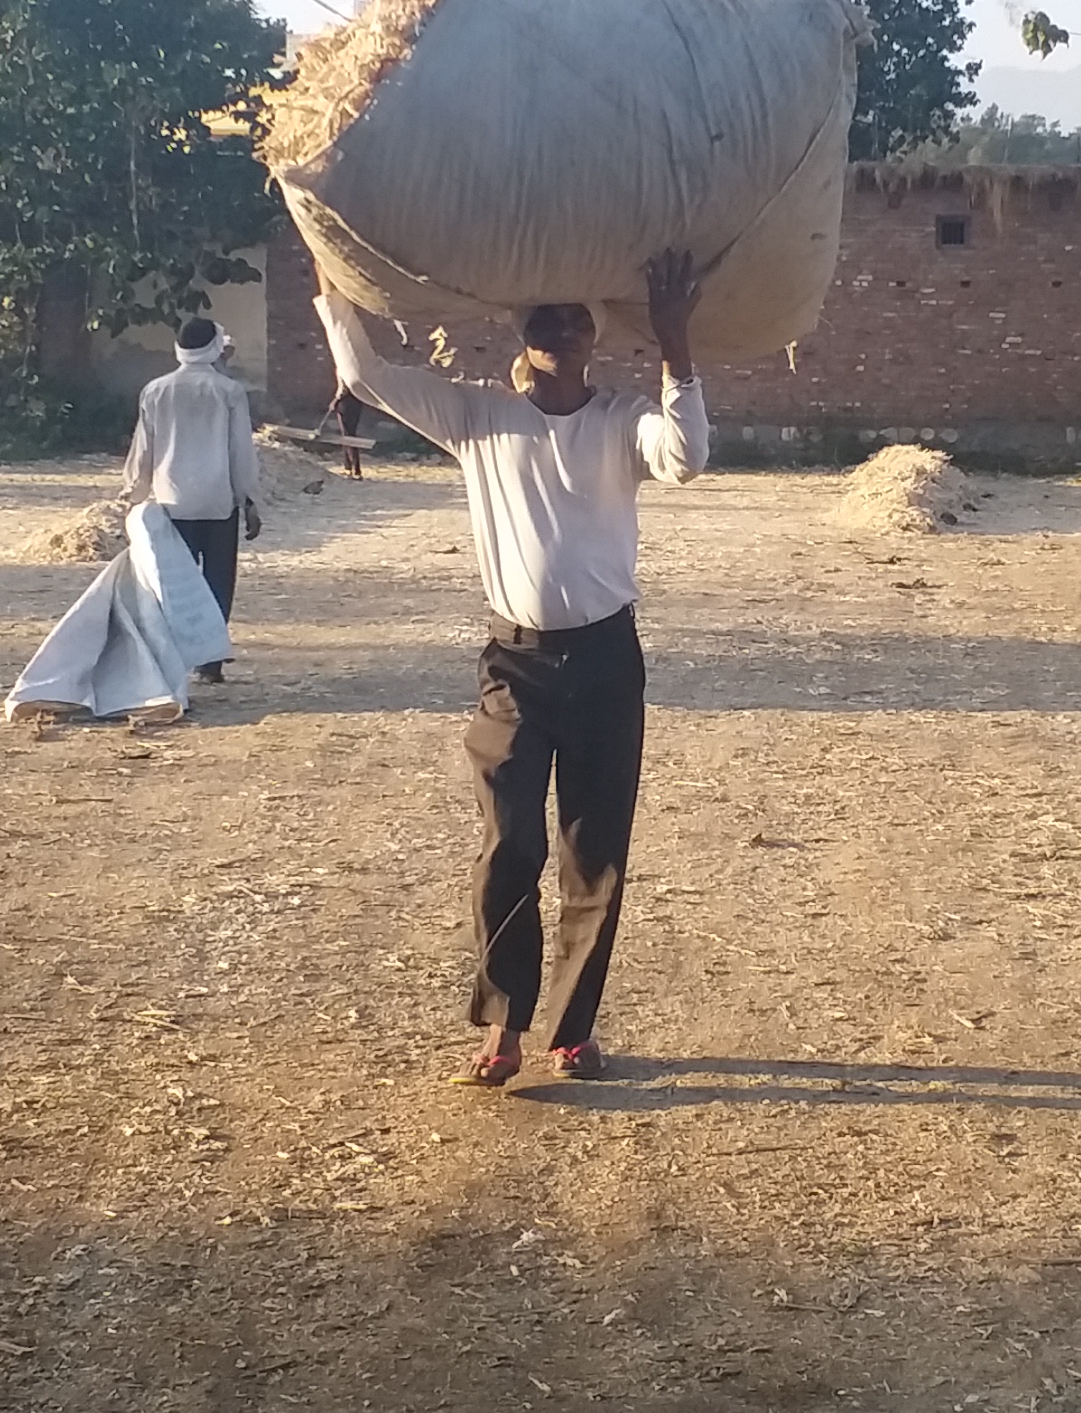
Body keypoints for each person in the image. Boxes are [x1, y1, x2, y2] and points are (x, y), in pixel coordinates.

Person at [320, 252, 709, 1088]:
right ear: (520, 333)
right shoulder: (477, 419)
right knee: (509, 845)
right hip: (515, 666)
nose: (561, 330)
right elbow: (364, 370)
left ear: (594, 333)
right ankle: (503, 1026)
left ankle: (573, 1031)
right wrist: (329, 268)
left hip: (608, 660)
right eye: (543, 318)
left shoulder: (624, 420)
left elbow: (686, 455)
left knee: (592, 850)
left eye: (575, 318)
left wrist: (676, 341)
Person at [121, 314, 263, 680]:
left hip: (171, 501)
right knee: (217, 580)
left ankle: (173, 657)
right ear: (216, 348)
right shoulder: (229, 391)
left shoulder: (155, 390)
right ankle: (210, 663)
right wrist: (248, 499)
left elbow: (143, 449)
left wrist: (134, 494)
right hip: (218, 502)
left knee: (177, 584)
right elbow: (240, 451)